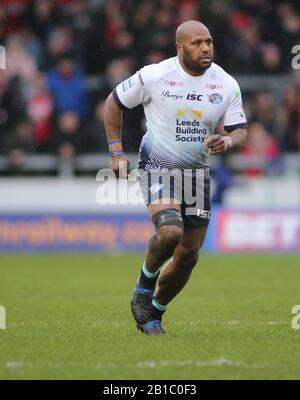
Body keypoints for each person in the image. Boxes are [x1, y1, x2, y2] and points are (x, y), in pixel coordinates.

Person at [104, 20, 247, 335]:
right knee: (169, 233)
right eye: (197, 43)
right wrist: (116, 152)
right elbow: (113, 103)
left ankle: (152, 315)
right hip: (158, 164)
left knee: (188, 256)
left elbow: (240, 131)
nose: (205, 48)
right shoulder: (155, 75)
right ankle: (144, 286)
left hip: (196, 173)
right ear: (179, 47)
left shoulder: (225, 84)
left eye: (208, 41)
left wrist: (228, 141)